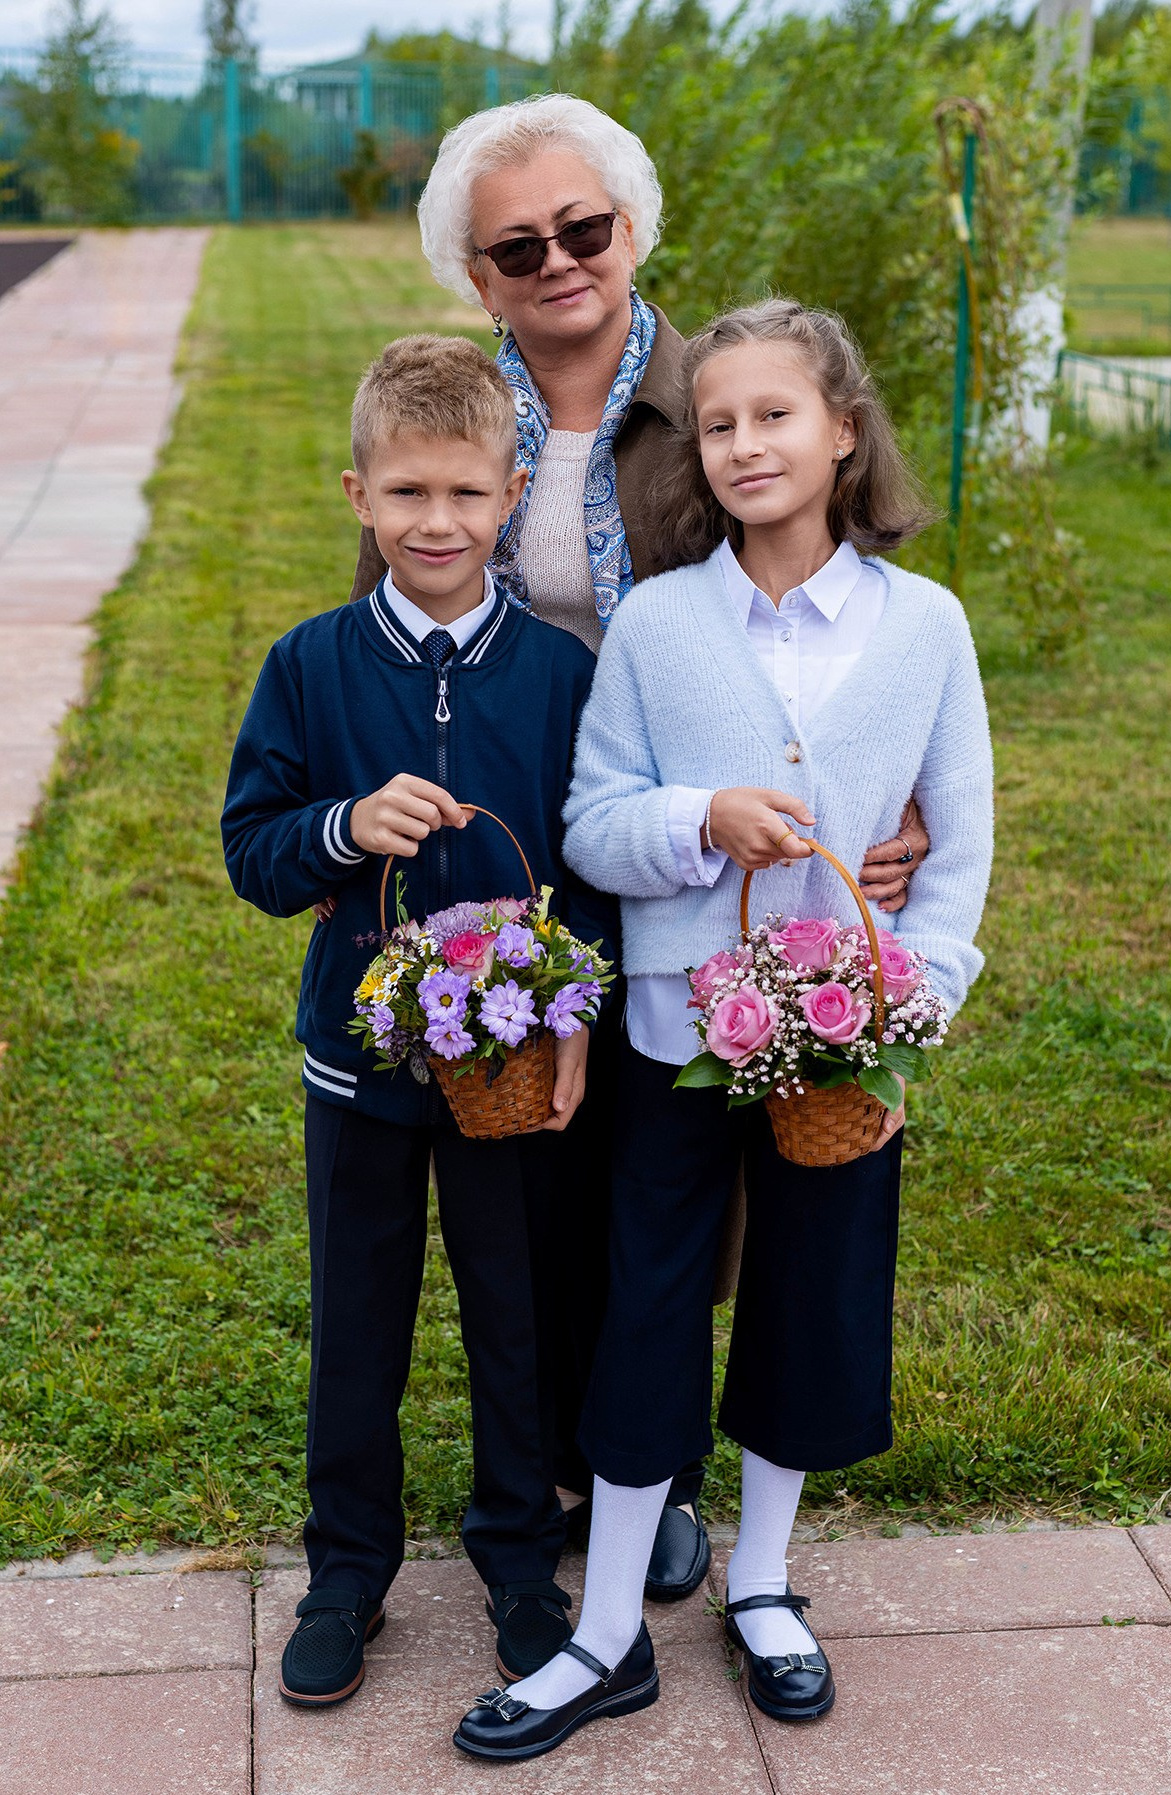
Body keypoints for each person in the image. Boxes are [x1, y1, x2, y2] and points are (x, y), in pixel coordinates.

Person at [334, 94, 930, 1600]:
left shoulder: (720, 391)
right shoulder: (458, 412)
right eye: (515, 245)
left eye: (583, 228)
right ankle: (569, 1467)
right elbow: (398, 615)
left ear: (634, 227)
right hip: (523, 833)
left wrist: (887, 806)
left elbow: (840, 611)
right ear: (478, 275)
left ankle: (643, 1459)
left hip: (714, 853)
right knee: (530, 1145)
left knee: (678, 1171)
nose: (558, 262)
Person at [452, 299, 993, 1761]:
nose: (747, 444)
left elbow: (954, 862)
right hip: (675, 1031)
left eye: (776, 416)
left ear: (843, 431)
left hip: (839, 1043)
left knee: (815, 1294)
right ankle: (609, 1621)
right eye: (721, 423)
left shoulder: (926, 627)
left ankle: (761, 1583)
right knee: (648, 1300)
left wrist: (909, 1014)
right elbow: (596, 823)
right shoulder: (659, 620)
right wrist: (704, 820)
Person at [221, 334, 616, 1708]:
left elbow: (595, 864)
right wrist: (340, 825)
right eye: (406, 496)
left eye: (464, 494)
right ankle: (347, 1570)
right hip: (361, 1072)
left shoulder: (562, 679)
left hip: (506, 1069)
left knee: (514, 1309)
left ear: (513, 497)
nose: (436, 524)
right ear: (358, 496)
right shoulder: (313, 666)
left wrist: (575, 1020)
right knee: (360, 1315)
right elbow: (254, 855)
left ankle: (519, 1555)